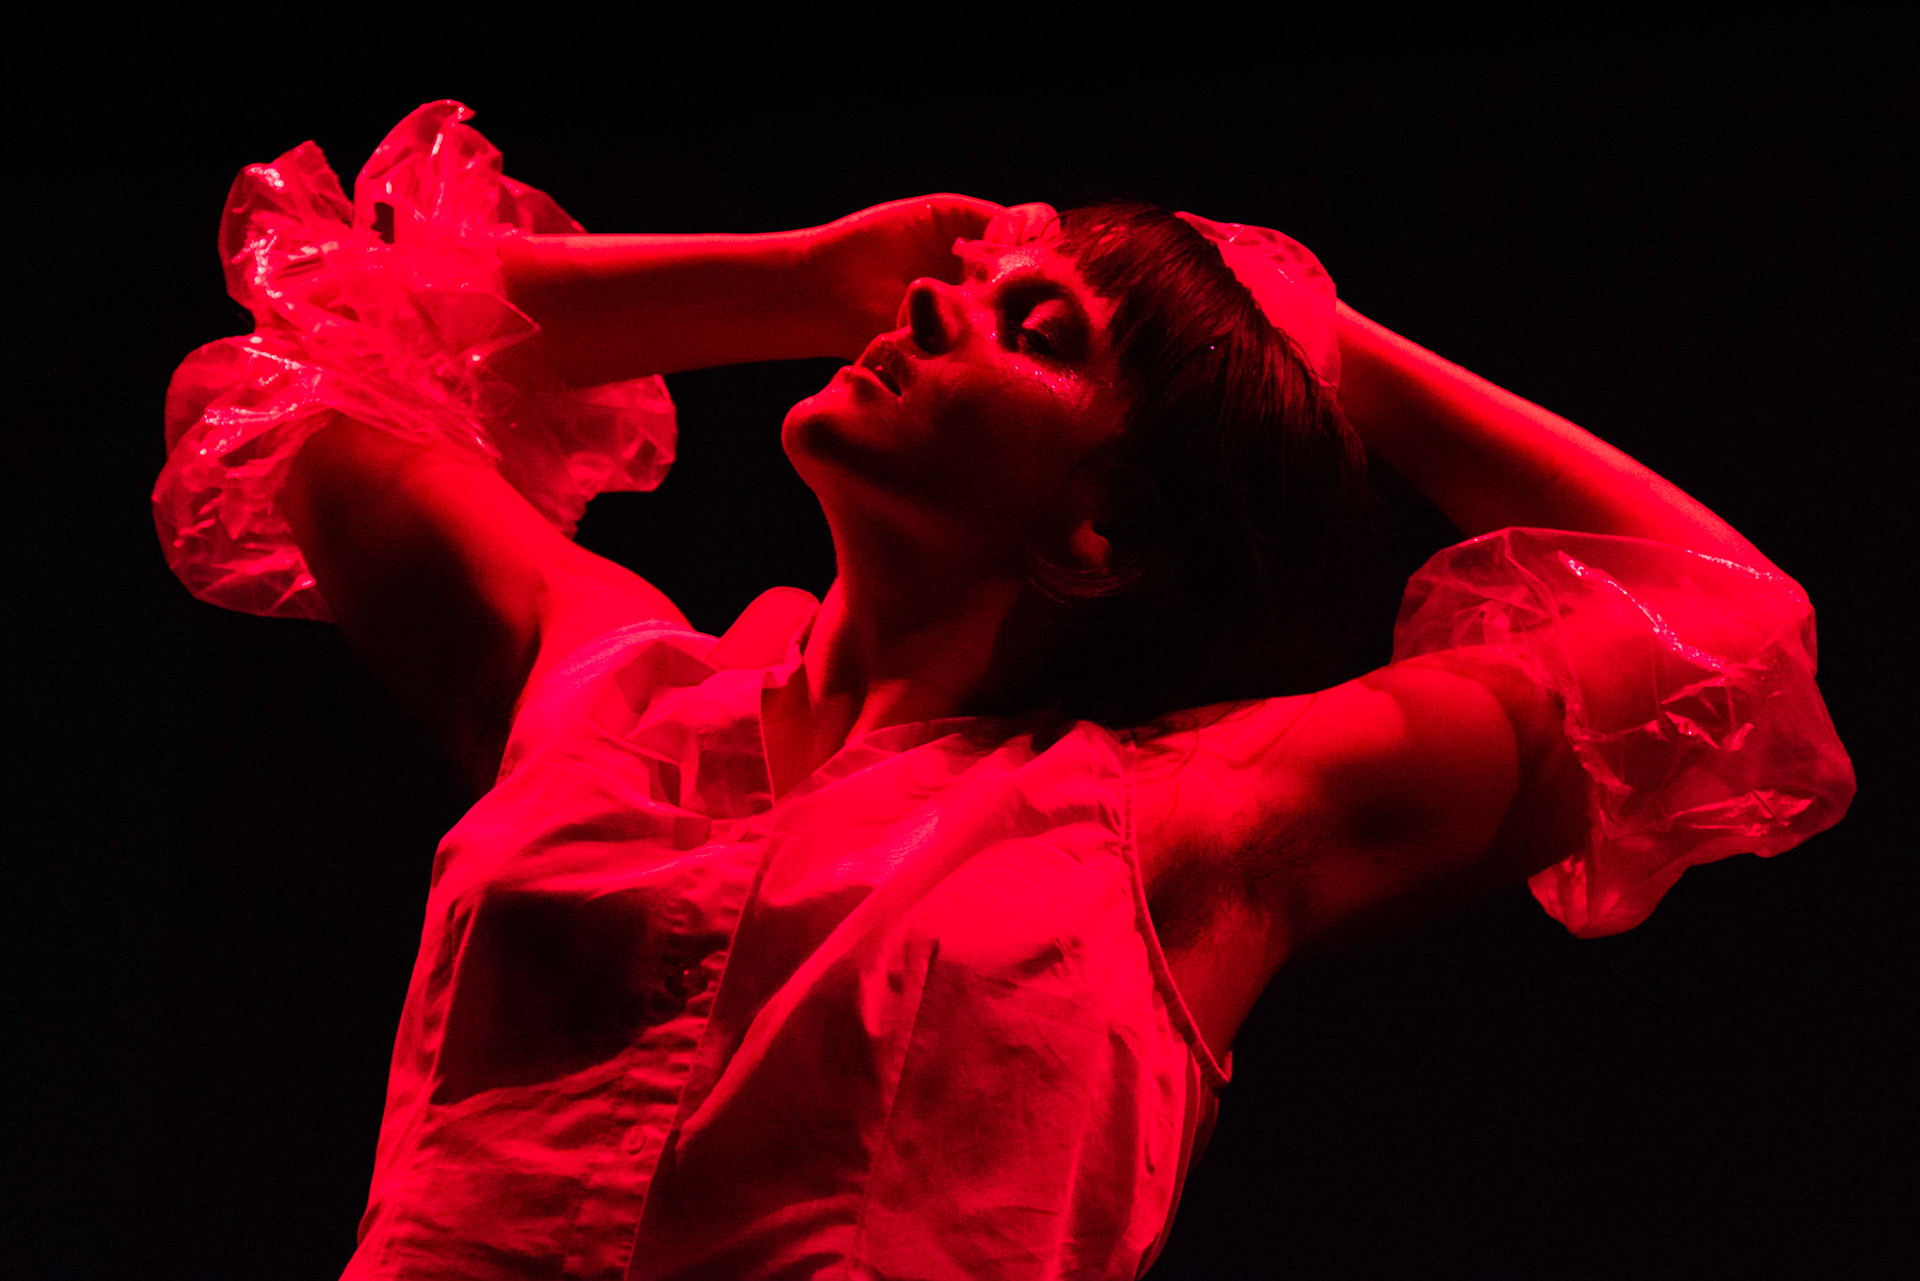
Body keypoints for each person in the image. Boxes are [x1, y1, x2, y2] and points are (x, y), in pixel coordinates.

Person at [157, 102, 1853, 1279]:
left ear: (1100, 538)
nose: (927, 306)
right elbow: (316, 350)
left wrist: (1330, 350)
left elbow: (1726, 623)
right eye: (968, 291)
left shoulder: (1176, 817)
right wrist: (797, 276)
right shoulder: (612, 683)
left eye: (1037, 331)